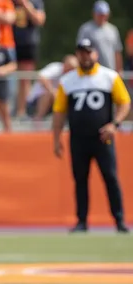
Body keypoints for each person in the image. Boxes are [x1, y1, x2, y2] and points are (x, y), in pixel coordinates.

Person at [51, 38, 130, 234]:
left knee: (110, 177)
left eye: (88, 52)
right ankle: (81, 221)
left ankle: (119, 220)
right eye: (81, 52)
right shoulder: (68, 81)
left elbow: (124, 102)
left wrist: (115, 124)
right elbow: (59, 111)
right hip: (78, 138)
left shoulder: (109, 76)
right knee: (80, 179)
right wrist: (56, 138)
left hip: (103, 138)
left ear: (95, 54)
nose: (85, 56)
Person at [11, 0, 45, 121]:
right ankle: (12, 111)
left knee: (25, 79)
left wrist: (25, 4)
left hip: (28, 43)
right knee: (7, 77)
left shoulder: (35, 2)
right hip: (9, 44)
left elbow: (40, 20)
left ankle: (22, 112)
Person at [25, 55, 77, 121]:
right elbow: (41, 77)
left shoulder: (71, 76)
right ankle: (38, 119)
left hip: (54, 102)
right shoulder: (56, 67)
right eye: (70, 68)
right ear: (65, 64)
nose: (71, 71)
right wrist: (53, 92)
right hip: (35, 102)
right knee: (49, 94)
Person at [76, 1, 123, 73]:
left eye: (103, 14)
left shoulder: (113, 30)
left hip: (110, 71)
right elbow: (80, 52)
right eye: (99, 14)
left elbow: (117, 51)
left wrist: (119, 70)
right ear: (94, 14)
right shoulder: (86, 29)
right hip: (92, 71)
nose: (102, 17)